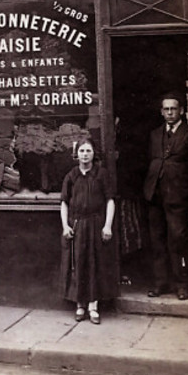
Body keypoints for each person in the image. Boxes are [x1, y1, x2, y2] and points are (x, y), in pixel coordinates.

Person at [143, 93, 188, 300]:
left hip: (177, 197)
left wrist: (184, 189)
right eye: (165, 109)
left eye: (173, 109)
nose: (169, 113)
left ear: (181, 110)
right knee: (157, 240)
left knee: (178, 240)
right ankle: (161, 283)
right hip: (155, 196)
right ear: (161, 111)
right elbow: (150, 160)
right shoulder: (155, 134)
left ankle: (182, 284)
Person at [60, 139, 117, 324]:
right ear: (77, 154)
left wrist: (107, 225)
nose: (85, 154)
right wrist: (65, 226)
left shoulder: (101, 175)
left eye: (89, 151)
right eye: (82, 151)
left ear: (94, 154)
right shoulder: (71, 176)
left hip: (96, 224)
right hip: (77, 225)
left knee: (94, 264)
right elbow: (64, 203)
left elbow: (110, 200)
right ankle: (80, 306)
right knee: (78, 263)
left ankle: (93, 307)